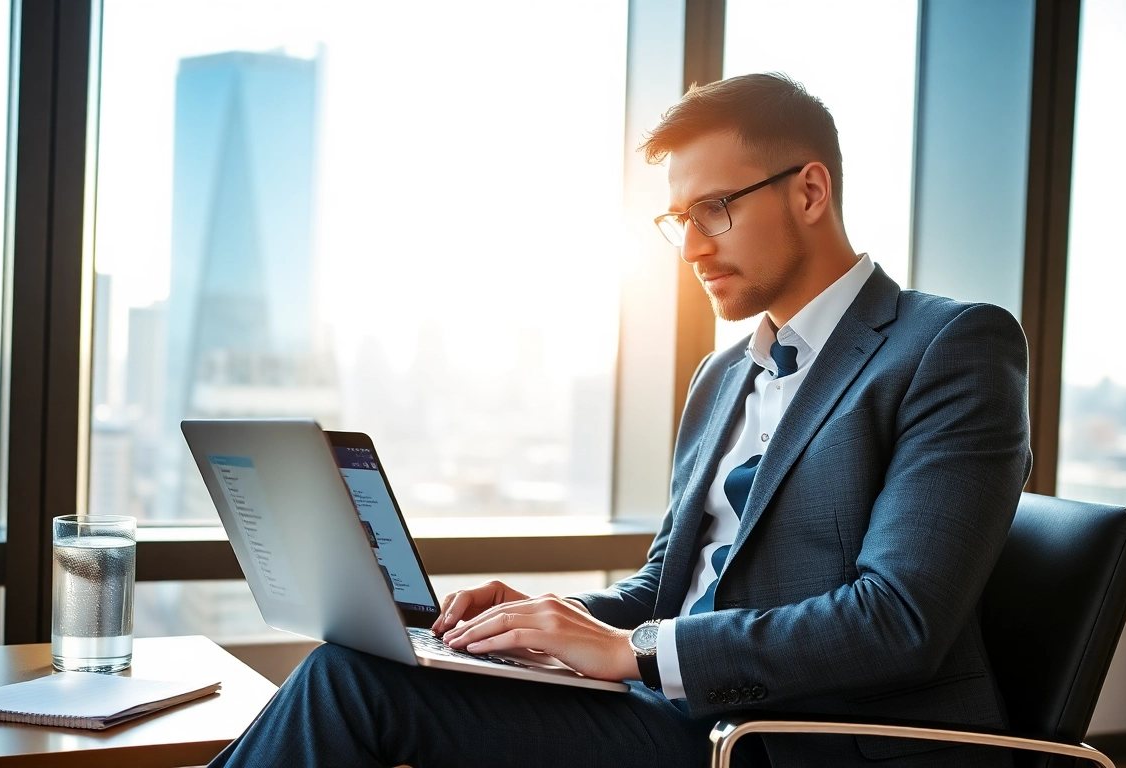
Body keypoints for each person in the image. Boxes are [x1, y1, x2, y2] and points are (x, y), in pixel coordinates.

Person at [208, 72, 1031, 768]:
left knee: (349, 686)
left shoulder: (949, 346)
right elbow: (664, 588)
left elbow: (898, 620)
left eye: (714, 209)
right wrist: (545, 621)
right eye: (679, 223)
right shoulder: (721, 377)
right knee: (355, 661)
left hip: (801, 738)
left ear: (810, 190)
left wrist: (634, 653)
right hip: (682, 713)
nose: (693, 249)